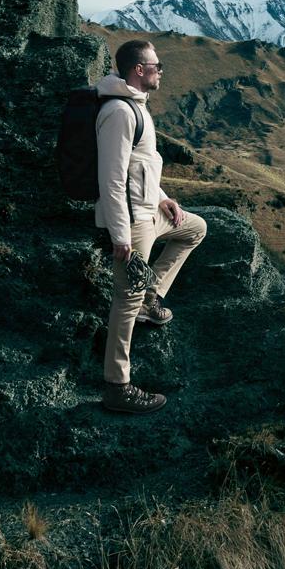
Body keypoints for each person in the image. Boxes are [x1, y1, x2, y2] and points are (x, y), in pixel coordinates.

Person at [94, 39, 205, 414]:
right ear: (138, 70)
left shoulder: (138, 107)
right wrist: (120, 236)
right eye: (156, 66)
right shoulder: (119, 113)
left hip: (149, 209)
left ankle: (151, 297)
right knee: (125, 299)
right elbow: (111, 178)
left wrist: (162, 197)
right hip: (133, 221)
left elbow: (140, 166)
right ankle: (117, 386)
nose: (161, 71)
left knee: (194, 228)